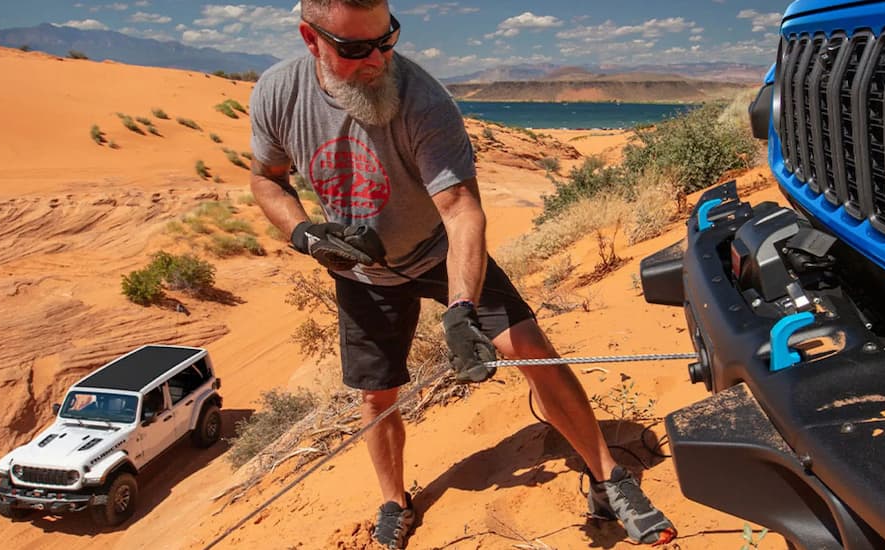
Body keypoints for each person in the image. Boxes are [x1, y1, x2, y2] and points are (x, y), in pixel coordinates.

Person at [248, 1, 676, 547]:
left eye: (387, 40)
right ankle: (393, 502)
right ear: (312, 41)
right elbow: (267, 180)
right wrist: (304, 234)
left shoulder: (424, 99)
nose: (377, 60)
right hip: (362, 272)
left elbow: (461, 211)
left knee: (531, 349)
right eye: (355, 49)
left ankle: (606, 477)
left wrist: (462, 309)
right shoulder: (278, 94)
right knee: (377, 397)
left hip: (438, 250)